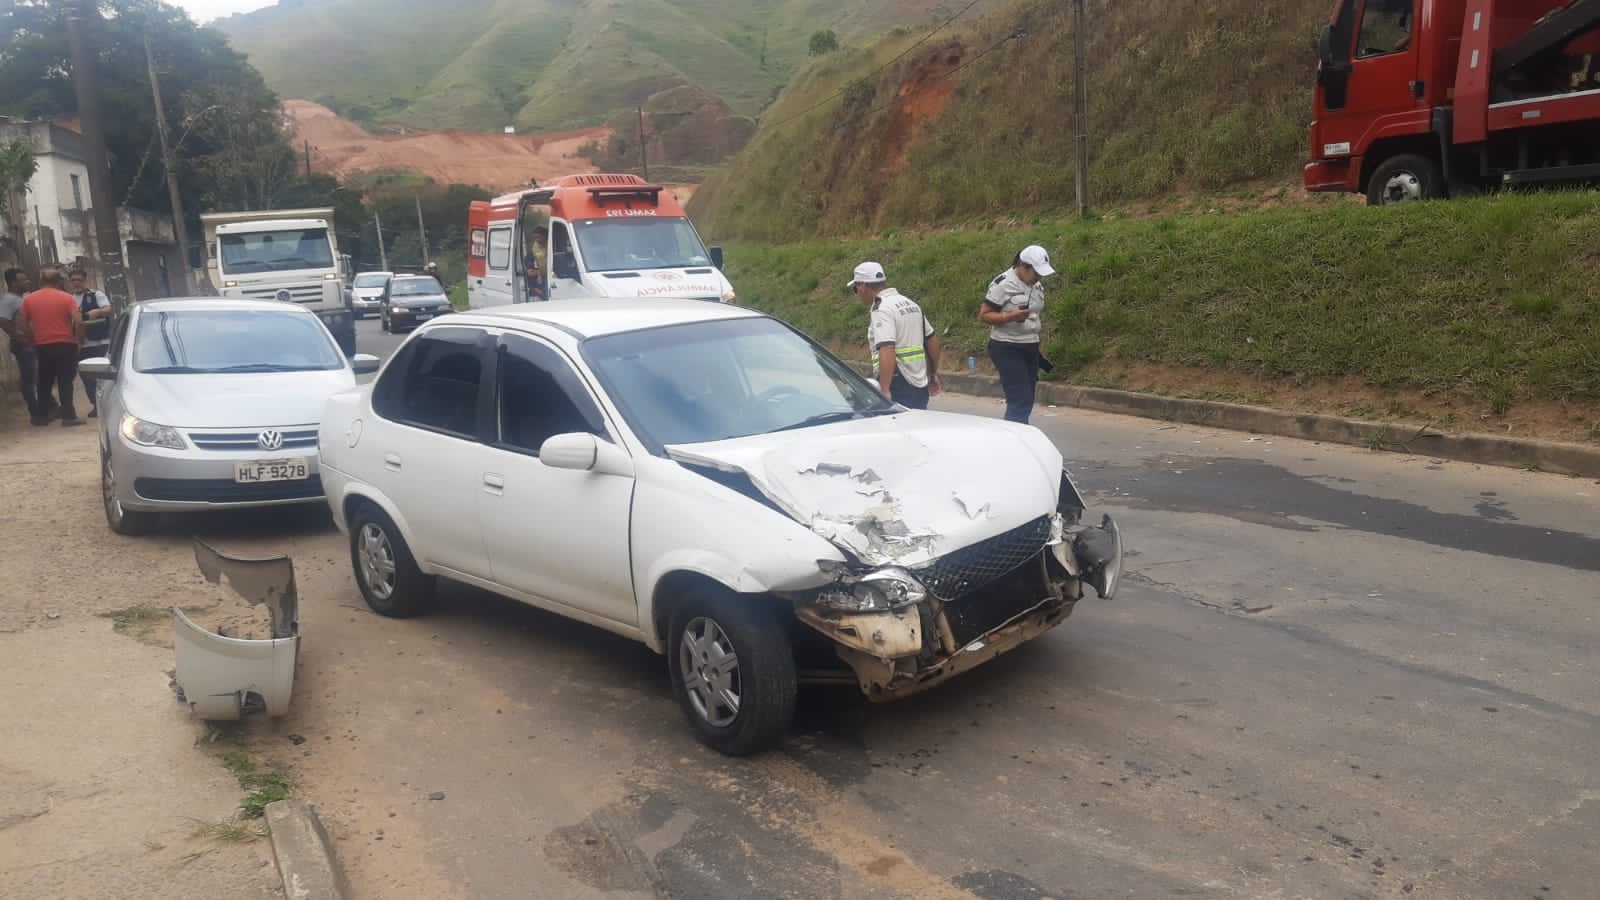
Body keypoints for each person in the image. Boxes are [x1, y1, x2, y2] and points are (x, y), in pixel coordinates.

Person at [849, 261, 942, 409]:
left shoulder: (881, 309)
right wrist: (932, 374)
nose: (857, 293)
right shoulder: (910, 304)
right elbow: (932, 341)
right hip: (920, 384)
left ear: (863, 286)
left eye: (856, 288)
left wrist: (885, 390)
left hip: (898, 385)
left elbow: (887, 348)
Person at [980, 244, 1055, 424]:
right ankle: (1014, 441)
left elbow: (1035, 319)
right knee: (1019, 400)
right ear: (1023, 266)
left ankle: (1019, 433)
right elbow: (984, 315)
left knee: (1027, 399)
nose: (1038, 278)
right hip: (1007, 347)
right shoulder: (1004, 284)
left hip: (1029, 346)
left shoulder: (1036, 284)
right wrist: (1010, 316)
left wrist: (1038, 347)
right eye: (1036, 273)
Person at [17, 265, 85, 427]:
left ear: (41, 281)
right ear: (58, 281)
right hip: (66, 344)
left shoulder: (29, 299)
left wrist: (31, 338)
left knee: (44, 382)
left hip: (42, 345)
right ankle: (68, 416)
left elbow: (23, 322)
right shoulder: (67, 298)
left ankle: (41, 416)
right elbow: (79, 321)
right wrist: (79, 341)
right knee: (65, 381)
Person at [68, 268, 112, 419]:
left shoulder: (96, 295)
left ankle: (108, 406)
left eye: (79, 280)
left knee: (104, 376)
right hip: (81, 344)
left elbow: (108, 309)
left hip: (100, 342)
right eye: (73, 280)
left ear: (85, 280)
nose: (76, 283)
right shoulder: (69, 299)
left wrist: (97, 312)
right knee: (87, 377)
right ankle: (95, 405)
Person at [1, 267, 42, 422]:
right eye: (23, 280)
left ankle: (46, 407)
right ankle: (35, 412)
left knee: (36, 376)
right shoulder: (9, 299)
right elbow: (3, 321)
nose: (27, 281)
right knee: (30, 378)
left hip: (31, 343)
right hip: (23, 345)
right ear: (13, 283)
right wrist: (19, 337)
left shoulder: (21, 298)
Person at [523, 230, 547, 301]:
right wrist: (540, 272)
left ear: (545, 237)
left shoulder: (549, 252)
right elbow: (530, 272)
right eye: (535, 237)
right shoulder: (531, 255)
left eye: (539, 237)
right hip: (536, 292)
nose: (537, 239)